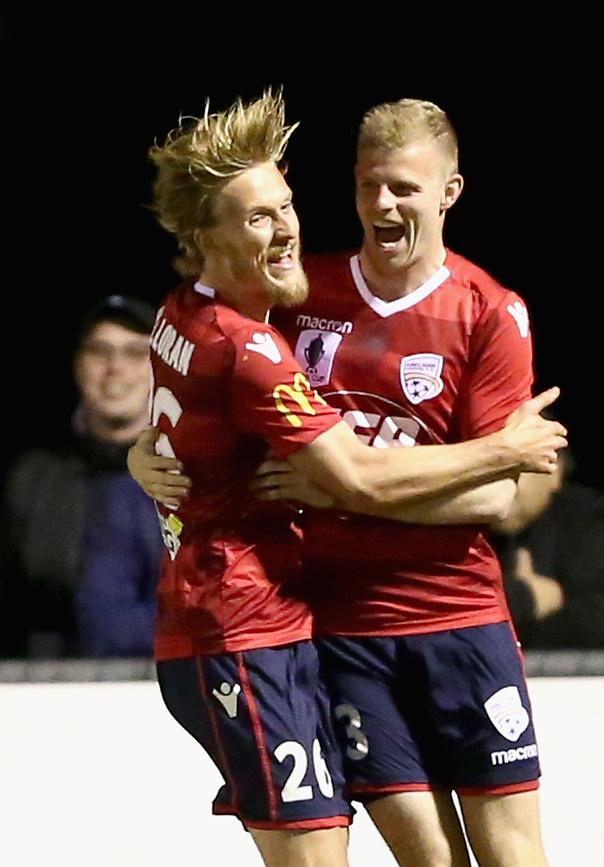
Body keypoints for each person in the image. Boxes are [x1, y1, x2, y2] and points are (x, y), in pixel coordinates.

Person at [134, 92, 567, 867]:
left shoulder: (489, 311)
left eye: (404, 186)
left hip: (457, 615)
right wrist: (503, 448)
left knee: (510, 856)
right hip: (333, 625)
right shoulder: (300, 299)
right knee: (427, 861)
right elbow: (328, 457)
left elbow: (506, 500)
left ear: (449, 193)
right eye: (369, 184)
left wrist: (157, 453)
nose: (382, 202)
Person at [0, 294, 161, 658]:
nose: (115, 367)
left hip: (175, 692)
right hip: (49, 693)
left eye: (136, 353)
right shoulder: (32, 478)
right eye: (100, 351)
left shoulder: (199, 475)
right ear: (77, 365)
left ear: (161, 368)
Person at [493, 449, 604, 649]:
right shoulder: (454, 529)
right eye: (489, 468)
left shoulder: (589, 522)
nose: (496, 483)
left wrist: (506, 618)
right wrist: (526, 598)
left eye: (513, 467)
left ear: (554, 470)